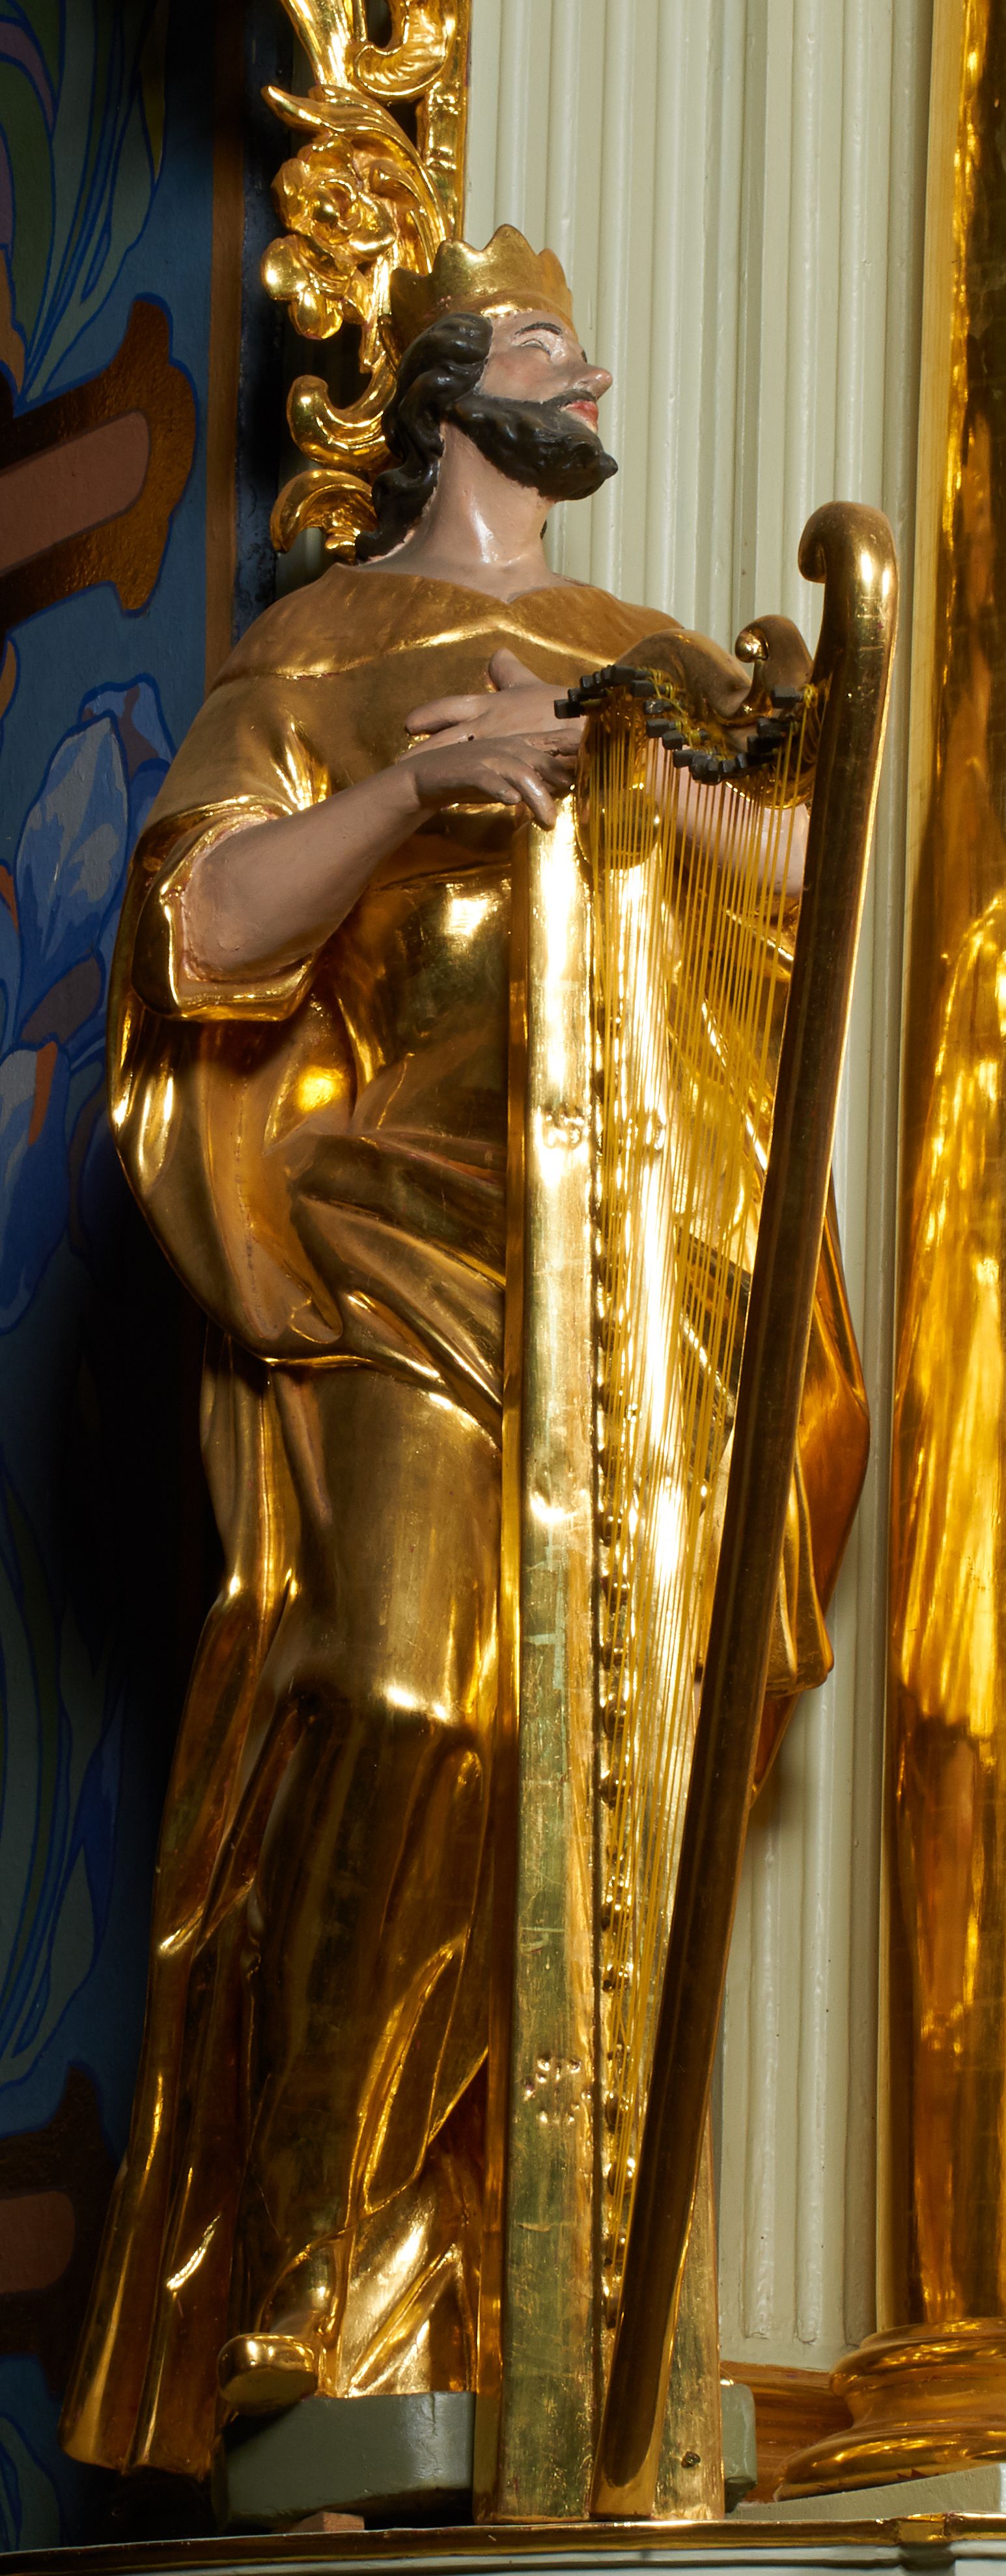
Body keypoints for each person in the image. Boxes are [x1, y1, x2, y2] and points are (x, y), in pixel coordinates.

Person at [61, 229, 868, 2484]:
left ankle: (563, 2288)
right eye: (537, 342)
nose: (583, 371)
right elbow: (203, 926)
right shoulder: (323, 650)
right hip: (394, 1257)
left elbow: (781, 885)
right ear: (437, 393)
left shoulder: (650, 657)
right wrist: (422, 786)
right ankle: (310, 2292)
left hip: (618, 1278)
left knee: (609, 1767)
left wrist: (690, 773)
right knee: (398, 1694)